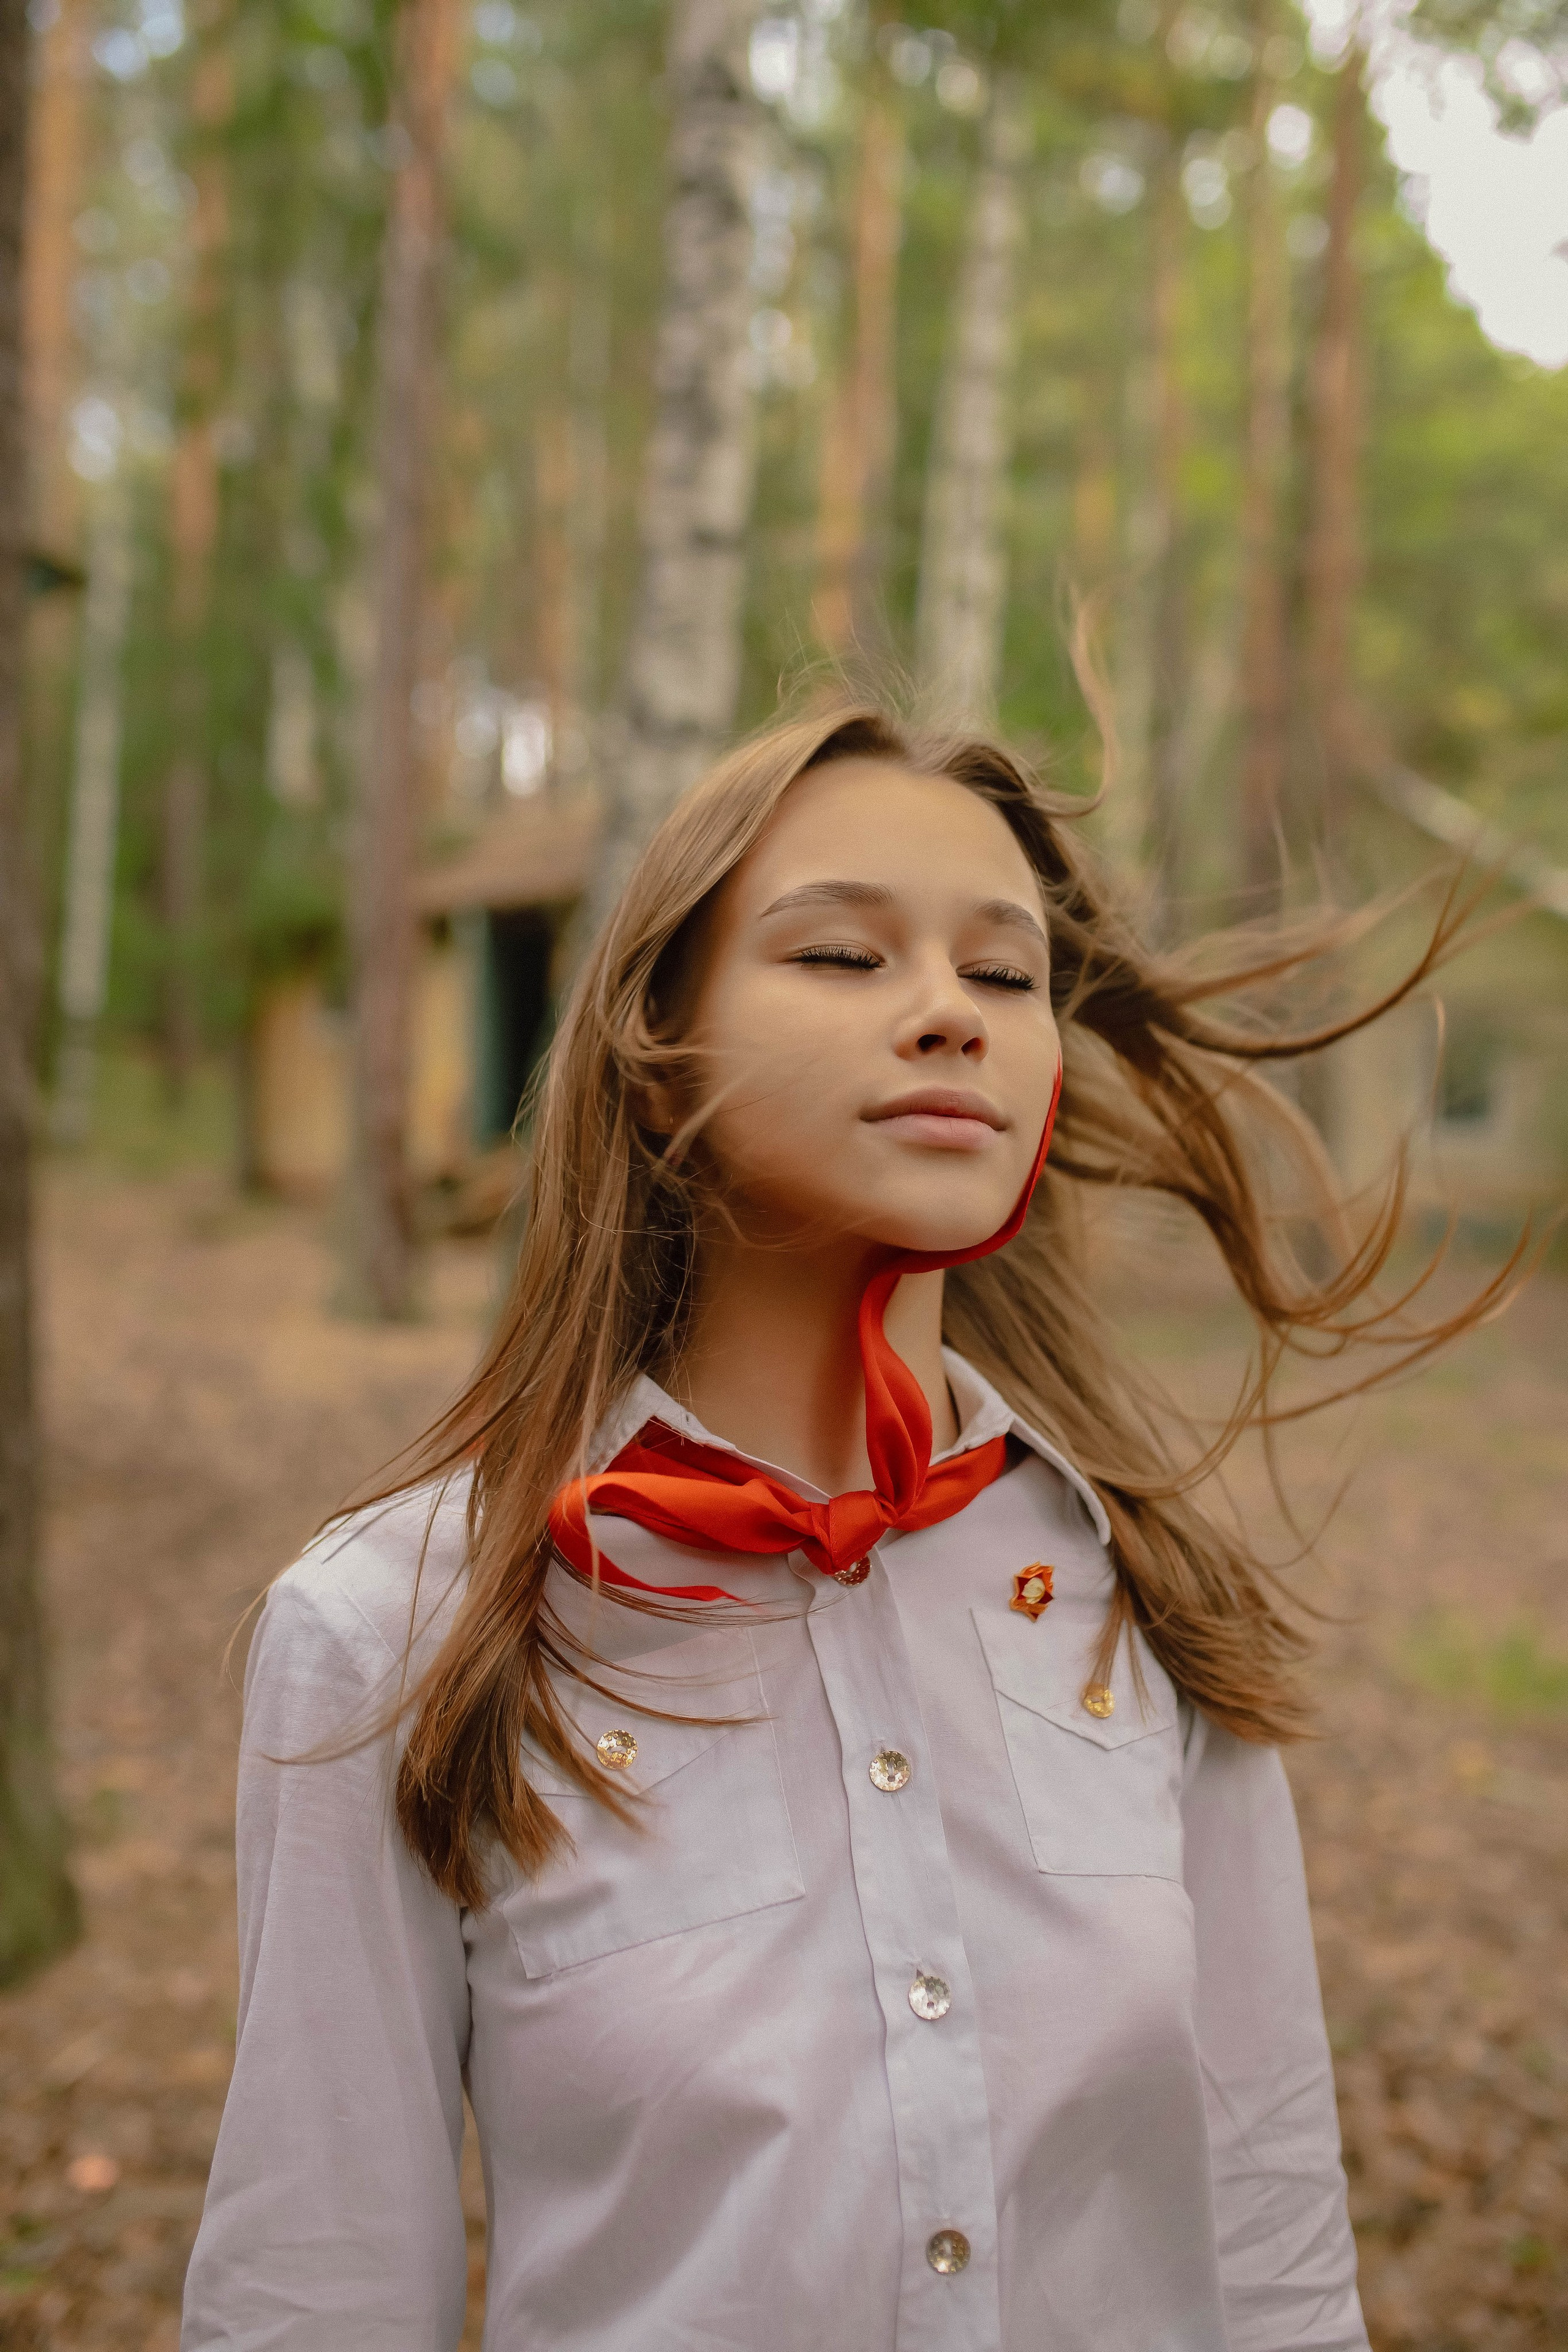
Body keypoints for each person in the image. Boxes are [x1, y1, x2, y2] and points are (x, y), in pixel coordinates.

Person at [181, 703, 1490, 2352]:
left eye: (1005, 978)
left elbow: (1277, 2250)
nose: (950, 1014)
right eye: (844, 958)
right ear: (659, 1066)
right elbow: (317, 2293)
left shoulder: (1142, 1609)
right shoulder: (390, 1629)